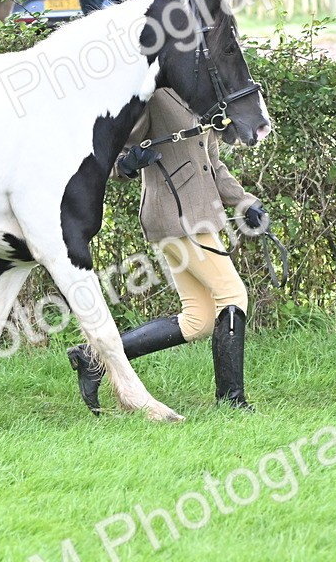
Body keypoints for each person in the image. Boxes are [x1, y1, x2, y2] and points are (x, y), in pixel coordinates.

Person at [67, 87, 269, 413]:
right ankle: (231, 401)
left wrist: (245, 201)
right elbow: (118, 150)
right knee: (233, 296)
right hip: (175, 214)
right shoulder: (155, 95)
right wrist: (128, 164)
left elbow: (213, 164)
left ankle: (93, 359)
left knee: (199, 320)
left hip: (200, 216)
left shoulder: (202, 95)